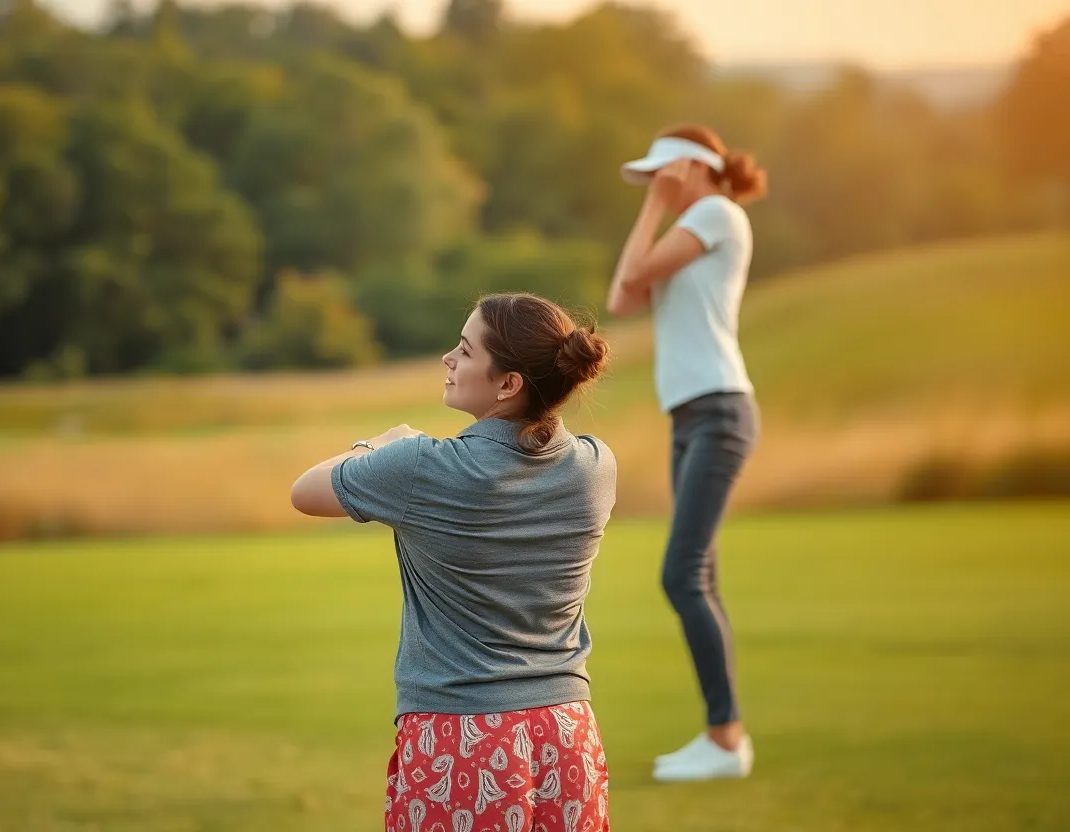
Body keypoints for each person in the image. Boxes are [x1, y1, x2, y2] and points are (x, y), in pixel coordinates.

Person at [291, 292, 618, 831]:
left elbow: (305, 492)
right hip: (567, 733)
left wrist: (379, 444)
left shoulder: (420, 468)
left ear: (508, 383)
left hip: (460, 737)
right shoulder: (596, 466)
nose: (448, 358)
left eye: (465, 352)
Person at [605, 124, 767, 781]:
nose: (655, 187)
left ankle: (724, 739)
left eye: (662, 176)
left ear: (693, 169)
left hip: (719, 409)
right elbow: (621, 298)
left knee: (680, 574)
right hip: (692, 415)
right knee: (699, 578)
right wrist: (654, 204)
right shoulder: (688, 227)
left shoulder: (715, 211)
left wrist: (652, 204)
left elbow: (635, 273)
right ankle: (727, 737)